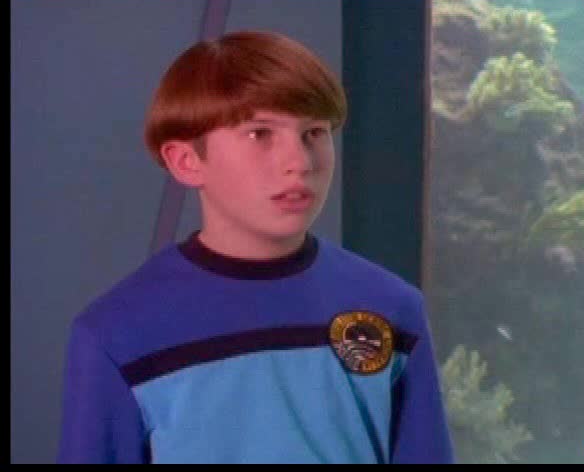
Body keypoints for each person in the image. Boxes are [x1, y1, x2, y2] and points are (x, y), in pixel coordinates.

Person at [57, 30, 454, 464]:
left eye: (314, 133)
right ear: (186, 161)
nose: (300, 162)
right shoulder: (117, 332)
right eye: (259, 133)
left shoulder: (392, 307)